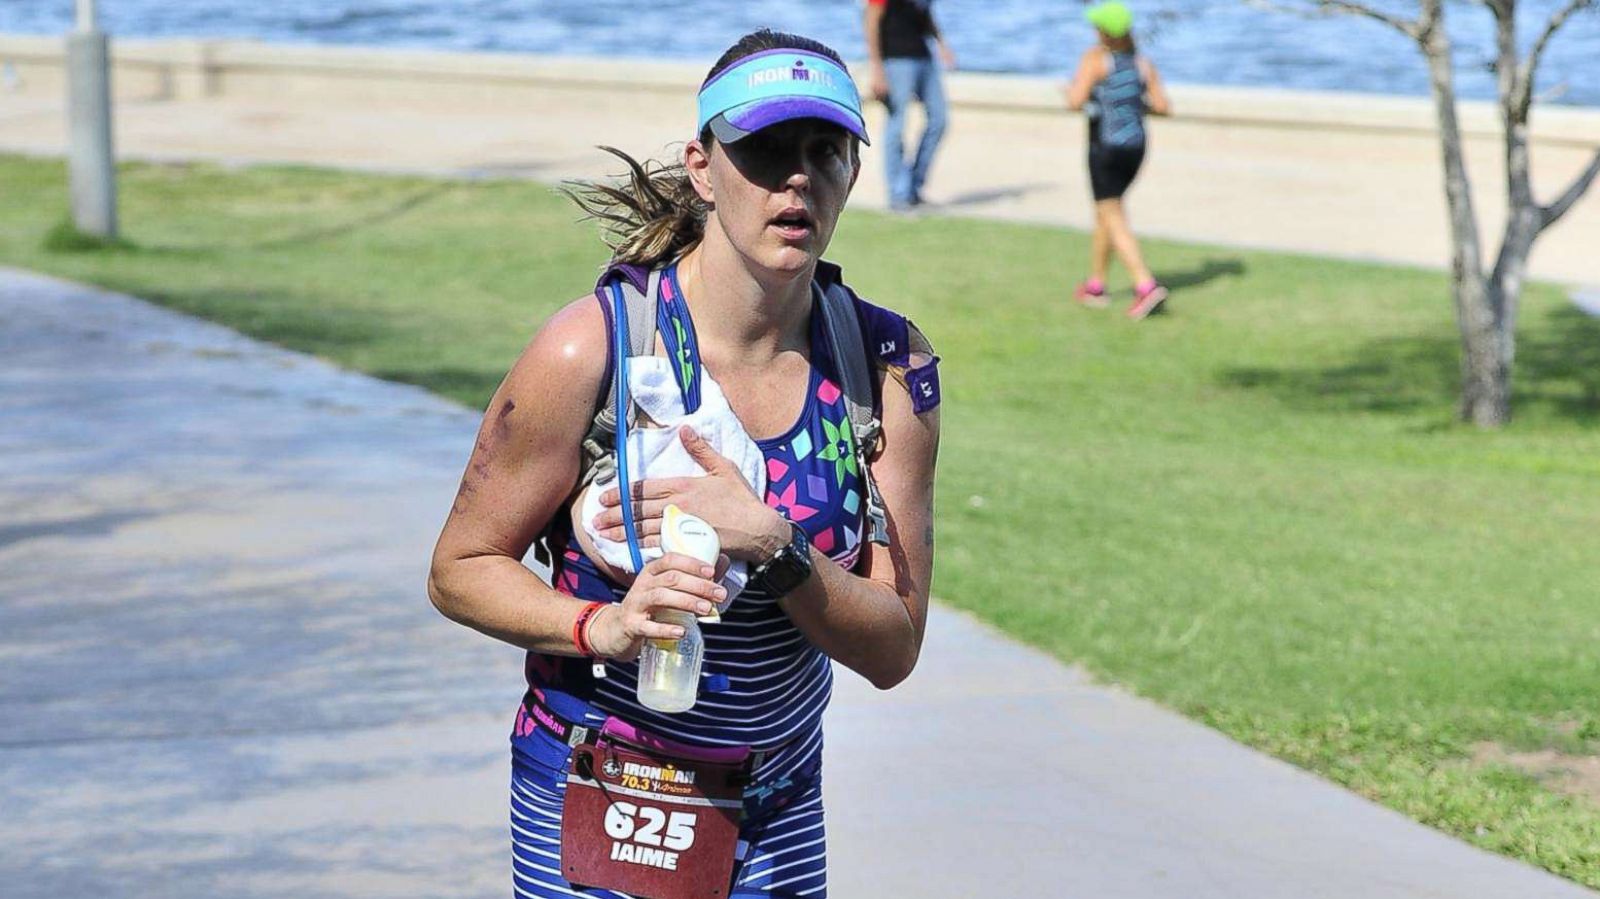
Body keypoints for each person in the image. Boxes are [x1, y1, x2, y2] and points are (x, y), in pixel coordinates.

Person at [427, 29, 942, 899]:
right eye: (767, 149)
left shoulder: (887, 363)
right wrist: (604, 628)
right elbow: (460, 568)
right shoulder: (592, 348)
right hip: (607, 790)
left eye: (826, 151)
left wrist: (778, 550)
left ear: (854, 170)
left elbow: (893, 648)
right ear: (704, 168)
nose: (798, 178)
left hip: (778, 804)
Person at [1065, 0, 1172, 319]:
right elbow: (1163, 105)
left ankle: (1145, 285)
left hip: (1105, 147)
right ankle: (1096, 285)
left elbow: (1075, 100)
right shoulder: (1142, 64)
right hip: (1136, 147)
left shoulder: (1095, 60)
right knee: (1105, 212)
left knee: (1111, 212)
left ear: (1105, 33)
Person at [864, 0, 957, 211]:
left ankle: (913, 188)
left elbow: (926, 14)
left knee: (939, 120)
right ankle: (898, 195)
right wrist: (877, 68)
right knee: (897, 126)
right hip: (896, 60)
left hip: (924, 56)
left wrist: (942, 44)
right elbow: (871, 20)